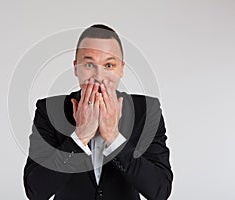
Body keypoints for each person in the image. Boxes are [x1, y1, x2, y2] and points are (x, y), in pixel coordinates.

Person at [23, 24, 173, 200]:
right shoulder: (49, 111)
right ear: (76, 68)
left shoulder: (147, 111)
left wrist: (114, 137)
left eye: (109, 65)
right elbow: (35, 191)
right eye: (89, 64)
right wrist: (79, 138)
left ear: (121, 69)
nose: (99, 76)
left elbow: (160, 191)